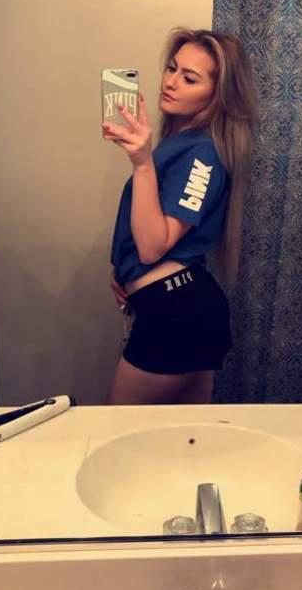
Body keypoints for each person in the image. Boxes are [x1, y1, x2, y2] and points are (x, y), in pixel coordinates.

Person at [102, 27, 258, 404]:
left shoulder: (202, 154)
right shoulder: (181, 143)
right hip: (178, 307)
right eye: (172, 69)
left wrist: (142, 163)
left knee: (118, 430)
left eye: (189, 78)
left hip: (178, 312)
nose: (170, 82)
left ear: (217, 94)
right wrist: (129, 276)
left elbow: (153, 247)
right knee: (186, 435)